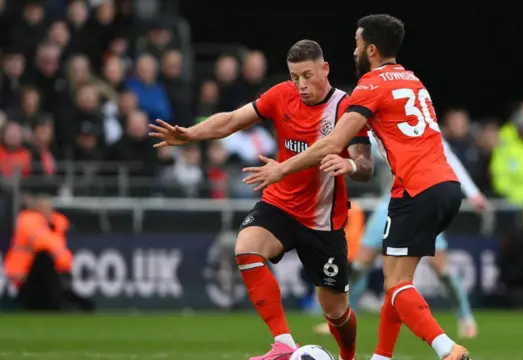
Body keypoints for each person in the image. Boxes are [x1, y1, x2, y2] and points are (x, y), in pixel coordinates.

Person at [243, 15, 470, 360]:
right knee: (397, 281)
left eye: (357, 44)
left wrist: (283, 169)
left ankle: (447, 348)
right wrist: (351, 164)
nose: (354, 50)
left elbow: (333, 140)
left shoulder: (370, 84)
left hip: (413, 189)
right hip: (446, 186)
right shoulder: (412, 80)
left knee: (396, 286)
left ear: (372, 49)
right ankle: (381, 358)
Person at [149, 40, 373, 360]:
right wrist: (190, 135)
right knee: (247, 247)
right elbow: (231, 120)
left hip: (323, 219)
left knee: (336, 312)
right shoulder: (281, 95)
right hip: (280, 202)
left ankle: (348, 356)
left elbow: (365, 166)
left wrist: (350, 164)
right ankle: (283, 343)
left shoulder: (345, 108)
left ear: (325, 69)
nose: (301, 85)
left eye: (308, 76)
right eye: (295, 77)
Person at [326, 137, 487, 339]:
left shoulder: (426, 127)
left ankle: (465, 317)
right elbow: (359, 149)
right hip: (391, 200)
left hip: (424, 199)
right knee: (360, 263)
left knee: (440, 269)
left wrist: (473, 193)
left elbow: (451, 160)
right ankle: (346, 318)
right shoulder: (381, 129)